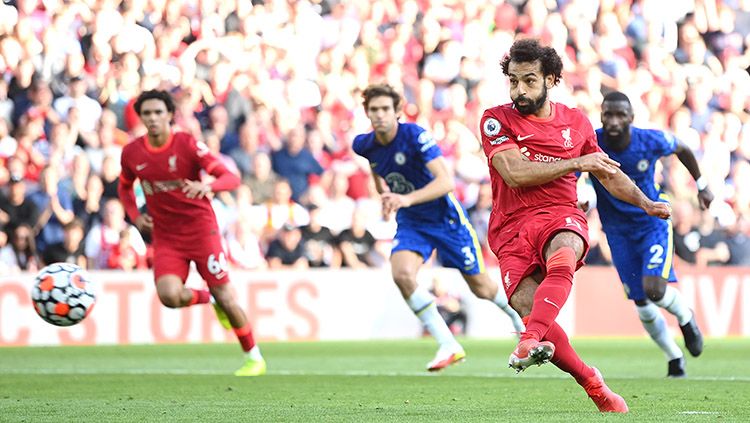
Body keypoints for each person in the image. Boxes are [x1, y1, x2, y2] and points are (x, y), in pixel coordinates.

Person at [479, 39, 670, 413]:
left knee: (564, 248)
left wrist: (644, 202)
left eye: (529, 81)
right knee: (529, 308)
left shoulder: (576, 122)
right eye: (514, 82)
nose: (520, 90)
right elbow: (515, 174)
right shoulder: (495, 119)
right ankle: (594, 385)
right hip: (510, 227)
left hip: (559, 212)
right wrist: (575, 164)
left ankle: (528, 337)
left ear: (550, 79)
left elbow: (607, 173)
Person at [353, 83, 526, 372]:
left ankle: (519, 321)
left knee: (481, 287)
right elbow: (375, 165)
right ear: (367, 113)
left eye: (385, 109)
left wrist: (404, 198)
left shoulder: (415, 136)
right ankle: (448, 344)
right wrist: (382, 192)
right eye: (374, 110)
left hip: (447, 220)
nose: (379, 115)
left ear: (397, 112)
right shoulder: (364, 144)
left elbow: (446, 182)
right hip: (412, 222)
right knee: (402, 275)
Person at [118, 89, 265, 376]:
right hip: (166, 235)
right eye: (146, 113)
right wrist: (135, 216)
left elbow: (230, 177)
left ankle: (254, 357)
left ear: (169, 115)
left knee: (227, 295)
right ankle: (208, 299)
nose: (152, 118)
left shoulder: (186, 144)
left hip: (201, 230)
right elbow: (124, 186)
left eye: (158, 112)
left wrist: (208, 186)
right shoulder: (132, 152)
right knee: (169, 296)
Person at [593, 91, 710, 377]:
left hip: (652, 222)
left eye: (621, 114)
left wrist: (702, 184)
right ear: (601, 115)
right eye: (609, 114)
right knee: (642, 303)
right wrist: (582, 196)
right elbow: (577, 175)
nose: (614, 120)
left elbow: (682, 148)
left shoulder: (649, 140)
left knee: (654, 289)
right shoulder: (592, 142)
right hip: (617, 231)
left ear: (631, 118)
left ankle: (685, 317)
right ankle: (673, 357)